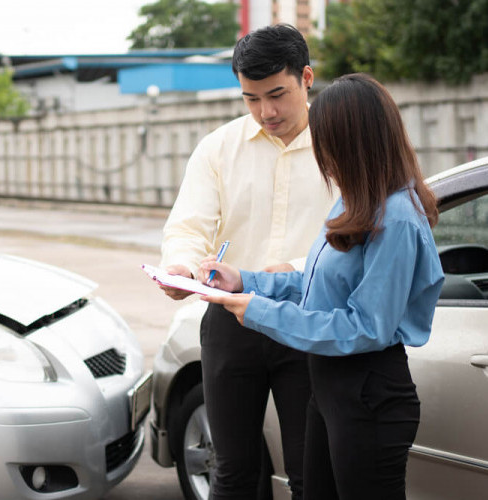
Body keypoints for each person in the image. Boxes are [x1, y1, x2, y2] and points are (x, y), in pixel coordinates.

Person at [200, 73, 445, 500]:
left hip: (368, 395)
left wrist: (258, 311)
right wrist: (246, 280)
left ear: (354, 144)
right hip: (329, 388)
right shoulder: (355, 201)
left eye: (326, 142)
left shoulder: (398, 219)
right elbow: (316, 286)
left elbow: (365, 328)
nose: (320, 154)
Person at [160, 24, 337, 499]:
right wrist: (181, 266)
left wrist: (295, 269)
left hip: (310, 321)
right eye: (251, 99)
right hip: (231, 321)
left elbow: (358, 233)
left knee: (311, 474)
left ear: (306, 78)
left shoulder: (341, 145)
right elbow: (188, 227)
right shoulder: (219, 148)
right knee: (232, 470)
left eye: (276, 94)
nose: (266, 112)